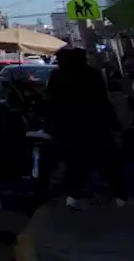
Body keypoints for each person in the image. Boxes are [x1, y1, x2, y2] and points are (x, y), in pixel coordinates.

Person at [45, 46, 127, 209]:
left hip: (72, 128)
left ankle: (73, 197)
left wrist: (53, 124)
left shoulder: (58, 76)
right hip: (96, 126)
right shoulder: (91, 74)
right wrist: (114, 123)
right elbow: (103, 101)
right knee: (107, 162)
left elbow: (52, 103)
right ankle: (119, 196)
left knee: (75, 164)